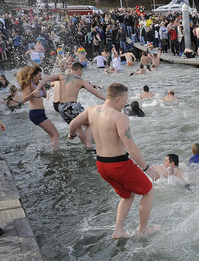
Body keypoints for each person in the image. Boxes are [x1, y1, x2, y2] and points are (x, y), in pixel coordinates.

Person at [68, 83, 160, 239]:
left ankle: (118, 231)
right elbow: (130, 146)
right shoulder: (120, 117)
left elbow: (73, 124)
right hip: (119, 164)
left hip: (102, 165)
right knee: (148, 190)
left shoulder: (91, 110)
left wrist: (72, 135)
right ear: (118, 99)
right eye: (125, 99)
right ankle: (143, 229)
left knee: (127, 195)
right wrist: (146, 168)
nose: (126, 103)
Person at [34, 62, 106, 149]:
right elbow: (95, 92)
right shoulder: (81, 80)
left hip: (61, 107)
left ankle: (84, 144)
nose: (82, 73)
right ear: (79, 70)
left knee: (77, 126)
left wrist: (37, 89)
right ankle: (90, 146)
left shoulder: (61, 75)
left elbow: (45, 79)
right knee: (90, 123)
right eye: (82, 71)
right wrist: (107, 99)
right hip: (72, 106)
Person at [18, 65, 59, 152]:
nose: (41, 77)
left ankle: (52, 150)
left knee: (53, 134)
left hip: (40, 113)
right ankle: (55, 153)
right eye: (39, 75)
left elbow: (45, 95)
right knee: (55, 134)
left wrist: (42, 84)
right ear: (33, 75)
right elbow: (24, 99)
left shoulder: (36, 84)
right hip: (35, 113)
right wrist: (32, 93)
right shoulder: (29, 84)